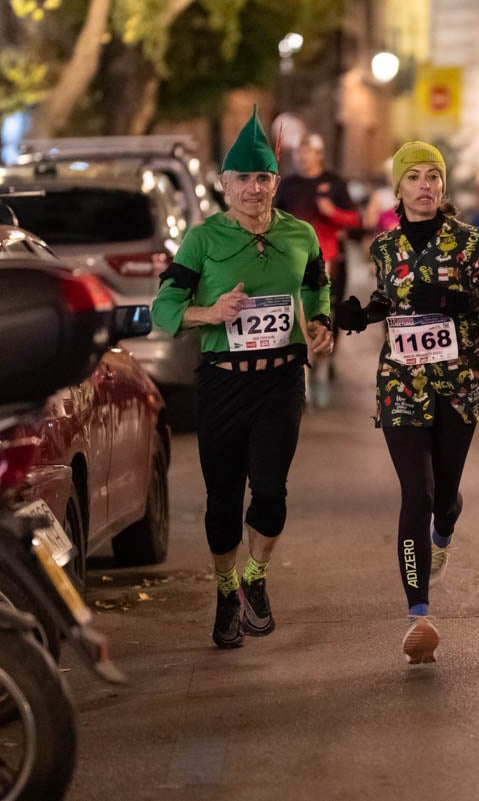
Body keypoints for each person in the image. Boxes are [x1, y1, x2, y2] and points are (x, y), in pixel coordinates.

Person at [334, 142, 479, 665]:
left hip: (458, 385)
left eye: (433, 177)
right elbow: (388, 299)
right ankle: (419, 616)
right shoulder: (386, 247)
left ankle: (445, 528)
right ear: (398, 188)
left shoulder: (473, 244)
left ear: (443, 186)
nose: (424, 186)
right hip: (401, 385)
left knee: (443, 499)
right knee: (414, 495)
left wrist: (453, 300)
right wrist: (361, 313)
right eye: (413, 177)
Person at [152, 107, 334, 649]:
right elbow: (164, 310)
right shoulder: (201, 241)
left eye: (263, 178)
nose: (254, 189)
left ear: (276, 182)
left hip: (280, 381)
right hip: (223, 383)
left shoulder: (300, 235)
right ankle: (225, 588)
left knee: (272, 492)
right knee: (223, 501)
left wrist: (321, 322)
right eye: (243, 179)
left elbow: (317, 287)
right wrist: (211, 314)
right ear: (224, 184)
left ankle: (256, 578)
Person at [273, 133, 363, 404]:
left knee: (325, 311)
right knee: (295, 310)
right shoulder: (288, 185)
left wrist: (330, 211)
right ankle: (299, 369)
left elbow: (354, 220)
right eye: (298, 153)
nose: (302, 158)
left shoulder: (334, 183)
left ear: (317, 155)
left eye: (307, 153)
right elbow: (272, 217)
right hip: (291, 259)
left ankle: (324, 363)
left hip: (327, 258)